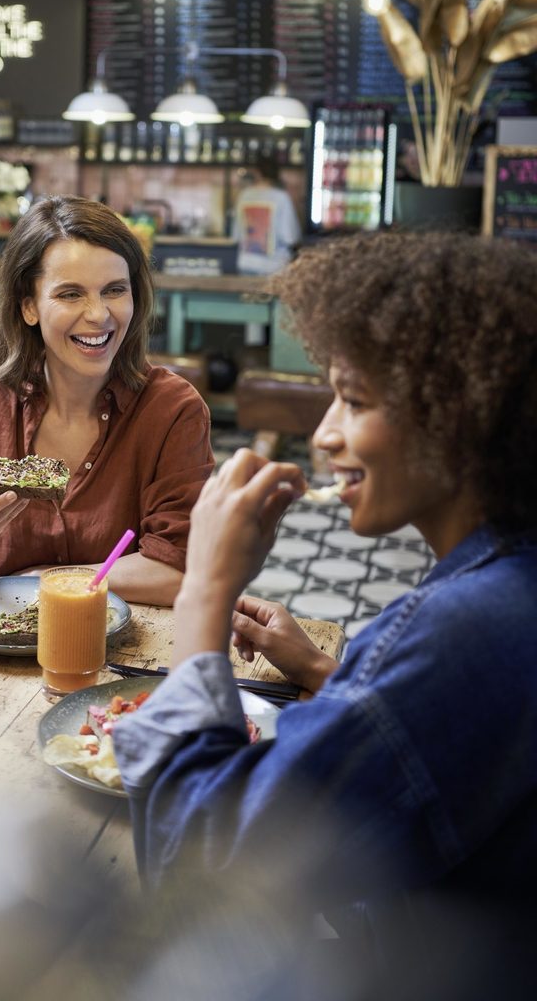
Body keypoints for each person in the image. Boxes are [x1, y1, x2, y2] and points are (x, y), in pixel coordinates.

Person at [113, 231, 537, 980]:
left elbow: (204, 873)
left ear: (460, 413)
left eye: (354, 399)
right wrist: (321, 669)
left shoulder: (467, 629)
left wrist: (205, 589)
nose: (323, 435)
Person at [0, 195, 214, 605]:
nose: (99, 314)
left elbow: (179, 570)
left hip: (121, 654)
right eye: (70, 294)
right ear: (29, 306)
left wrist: (48, 579)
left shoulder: (173, 410)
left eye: (114, 290)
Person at [234, 153, 301, 277]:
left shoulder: (244, 195)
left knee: (248, 297)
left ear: (257, 172)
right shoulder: (281, 197)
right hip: (274, 266)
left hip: (247, 263)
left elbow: (236, 236)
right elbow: (291, 237)